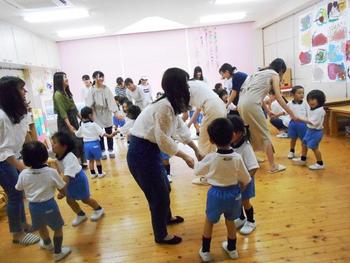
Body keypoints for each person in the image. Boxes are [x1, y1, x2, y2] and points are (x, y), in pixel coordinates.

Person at [127, 68, 203, 245]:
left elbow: (180, 128)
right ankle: (161, 235)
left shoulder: (170, 104)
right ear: (178, 86)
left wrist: (196, 149)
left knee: (164, 189)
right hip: (142, 153)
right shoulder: (164, 106)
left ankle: (166, 217)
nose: (188, 87)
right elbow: (164, 141)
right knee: (158, 195)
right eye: (185, 83)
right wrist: (186, 157)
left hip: (148, 151)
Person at [195, 118, 251, 262]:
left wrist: (201, 161)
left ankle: (206, 251)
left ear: (212, 141)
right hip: (234, 194)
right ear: (233, 135)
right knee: (230, 221)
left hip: (216, 194)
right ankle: (232, 250)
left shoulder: (211, 158)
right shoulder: (237, 158)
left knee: (209, 221)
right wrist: (241, 185)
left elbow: (197, 171)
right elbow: (247, 179)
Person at [238, 58, 297, 173]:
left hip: (241, 104)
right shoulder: (274, 74)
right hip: (251, 105)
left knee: (249, 133)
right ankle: (273, 166)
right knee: (265, 134)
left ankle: (251, 159)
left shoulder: (257, 73)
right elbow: (279, 97)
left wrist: (268, 111)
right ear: (281, 70)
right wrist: (292, 114)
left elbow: (257, 95)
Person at [0, 76, 40, 245]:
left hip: (13, 157)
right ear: (11, 93)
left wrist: (35, 155)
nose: (25, 92)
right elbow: (4, 149)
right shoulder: (2, 116)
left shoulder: (16, 112)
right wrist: (21, 166)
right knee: (15, 195)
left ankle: (23, 225)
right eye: (21, 89)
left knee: (19, 193)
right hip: (3, 160)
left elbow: (24, 135)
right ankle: (17, 234)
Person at [16, 141, 71, 261]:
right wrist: (64, 194)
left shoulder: (23, 174)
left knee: (41, 227)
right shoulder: (51, 172)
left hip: (33, 207)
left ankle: (47, 244)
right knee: (57, 228)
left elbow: (18, 188)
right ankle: (58, 252)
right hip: (49, 205)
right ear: (45, 156)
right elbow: (62, 188)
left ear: (25, 159)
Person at [52, 132, 105, 226]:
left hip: (78, 180)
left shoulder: (70, 158)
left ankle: (99, 209)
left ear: (64, 146)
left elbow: (66, 177)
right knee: (70, 200)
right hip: (70, 181)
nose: (52, 144)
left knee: (85, 199)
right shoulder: (58, 157)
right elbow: (61, 172)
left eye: (55, 142)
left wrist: (62, 191)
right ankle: (81, 215)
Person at [187, 80, 227, 185]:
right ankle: (214, 173)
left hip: (212, 108)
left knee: (204, 144)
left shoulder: (185, 88)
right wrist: (189, 124)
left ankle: (207, 177)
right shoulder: (198, 85)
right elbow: (197, 110)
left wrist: (183, 126)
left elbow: (185, 115)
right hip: (220, 106)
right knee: (213, 143)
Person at [228, 115, 259, 235]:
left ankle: (251, 221)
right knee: (237, 201)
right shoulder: (231, 144)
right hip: (235, 181)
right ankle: (241, 218)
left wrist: (245, 182)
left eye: (230, 133)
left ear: (239, 133)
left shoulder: (246, 147)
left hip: (246, 181)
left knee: (245, 202)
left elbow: (254, 167)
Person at [53, 72, 86, 168]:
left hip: (72, 118)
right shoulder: (57, 94)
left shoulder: (67, 92)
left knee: (79, 139)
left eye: (66, 76)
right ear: (59, 80)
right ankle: (73, 164)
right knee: (70, 141)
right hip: (65, 121)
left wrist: (81, 118)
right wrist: (69, 125)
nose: (67, 79)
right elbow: (63, 112)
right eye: (64, 77)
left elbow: (74, 107)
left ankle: (82, 161)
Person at [75, 107, 117, 179]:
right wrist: (110, 135)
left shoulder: (81, 125)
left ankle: (93, 174)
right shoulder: (94, 124)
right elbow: (102, 133)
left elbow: (78, 134)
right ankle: (100, 173)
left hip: (86, 145)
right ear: (90, 115)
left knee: (91, 161)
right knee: (97, 160)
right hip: (94, 144)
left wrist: (74, 131)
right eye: (93, 114)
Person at [86, 71, 118, 160]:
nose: (101, 79)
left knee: (109, 132)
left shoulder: (106, 89)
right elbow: (88, 103)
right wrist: (89, 115)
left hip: (106, 112)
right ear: (94, 79)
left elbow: (111, 101)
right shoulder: (91, 90)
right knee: (100, 133)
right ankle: (103, 150)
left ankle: (111, 149)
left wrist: (115, 112)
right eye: (98, 77)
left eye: (102, 77)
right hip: (96, 113)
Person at [292, 90, 326, 170]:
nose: (311, 102)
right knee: (304, 143)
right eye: (309, 100)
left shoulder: (320, 111)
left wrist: (299, 119)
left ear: (319, 100)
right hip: (309, 130)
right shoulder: (312, 109)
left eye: (313, 99)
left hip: (316, 132)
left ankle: (320, 163)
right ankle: (303, 159)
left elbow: (312, 122)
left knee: (314, 148)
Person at [287, 86, 308, 159]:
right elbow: (285, 112)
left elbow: (309, 113)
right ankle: (291, 151)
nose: (302, 95)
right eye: (299, 93)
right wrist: (276, 115)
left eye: (303, 93)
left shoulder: (305, 103)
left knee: (304, 140)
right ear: (293, 94)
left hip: (302, 124)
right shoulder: (289, 103)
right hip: (293, 123)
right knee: (293, 138)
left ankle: (303, 154)